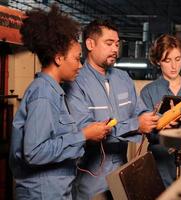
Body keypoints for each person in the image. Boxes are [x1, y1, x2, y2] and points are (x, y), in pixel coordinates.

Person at [9, 5, 112, 200]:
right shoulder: (43, 94)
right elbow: (35, 152)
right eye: (77, 58)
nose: (80, 65)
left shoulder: (54, 92)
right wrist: (83, 135)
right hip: (42, 193)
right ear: (58, 58)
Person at [64, 19, 159, 199]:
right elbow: (86, 129)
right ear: (90, 44)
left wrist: (159, 118)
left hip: (122, 174)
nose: (115, 49)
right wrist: (136, 125)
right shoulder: (75, 82)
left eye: (117, 44)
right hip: (90, 180)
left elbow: (140, 111)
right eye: (109, 43)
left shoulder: (123, 78)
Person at [140, 34, 181, 187]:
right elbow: (150, 135)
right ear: (158, 61)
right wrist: (162, 121)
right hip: (161, 164)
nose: (174, 66)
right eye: (167, 60)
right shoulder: (148, 92)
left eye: (178, 59)